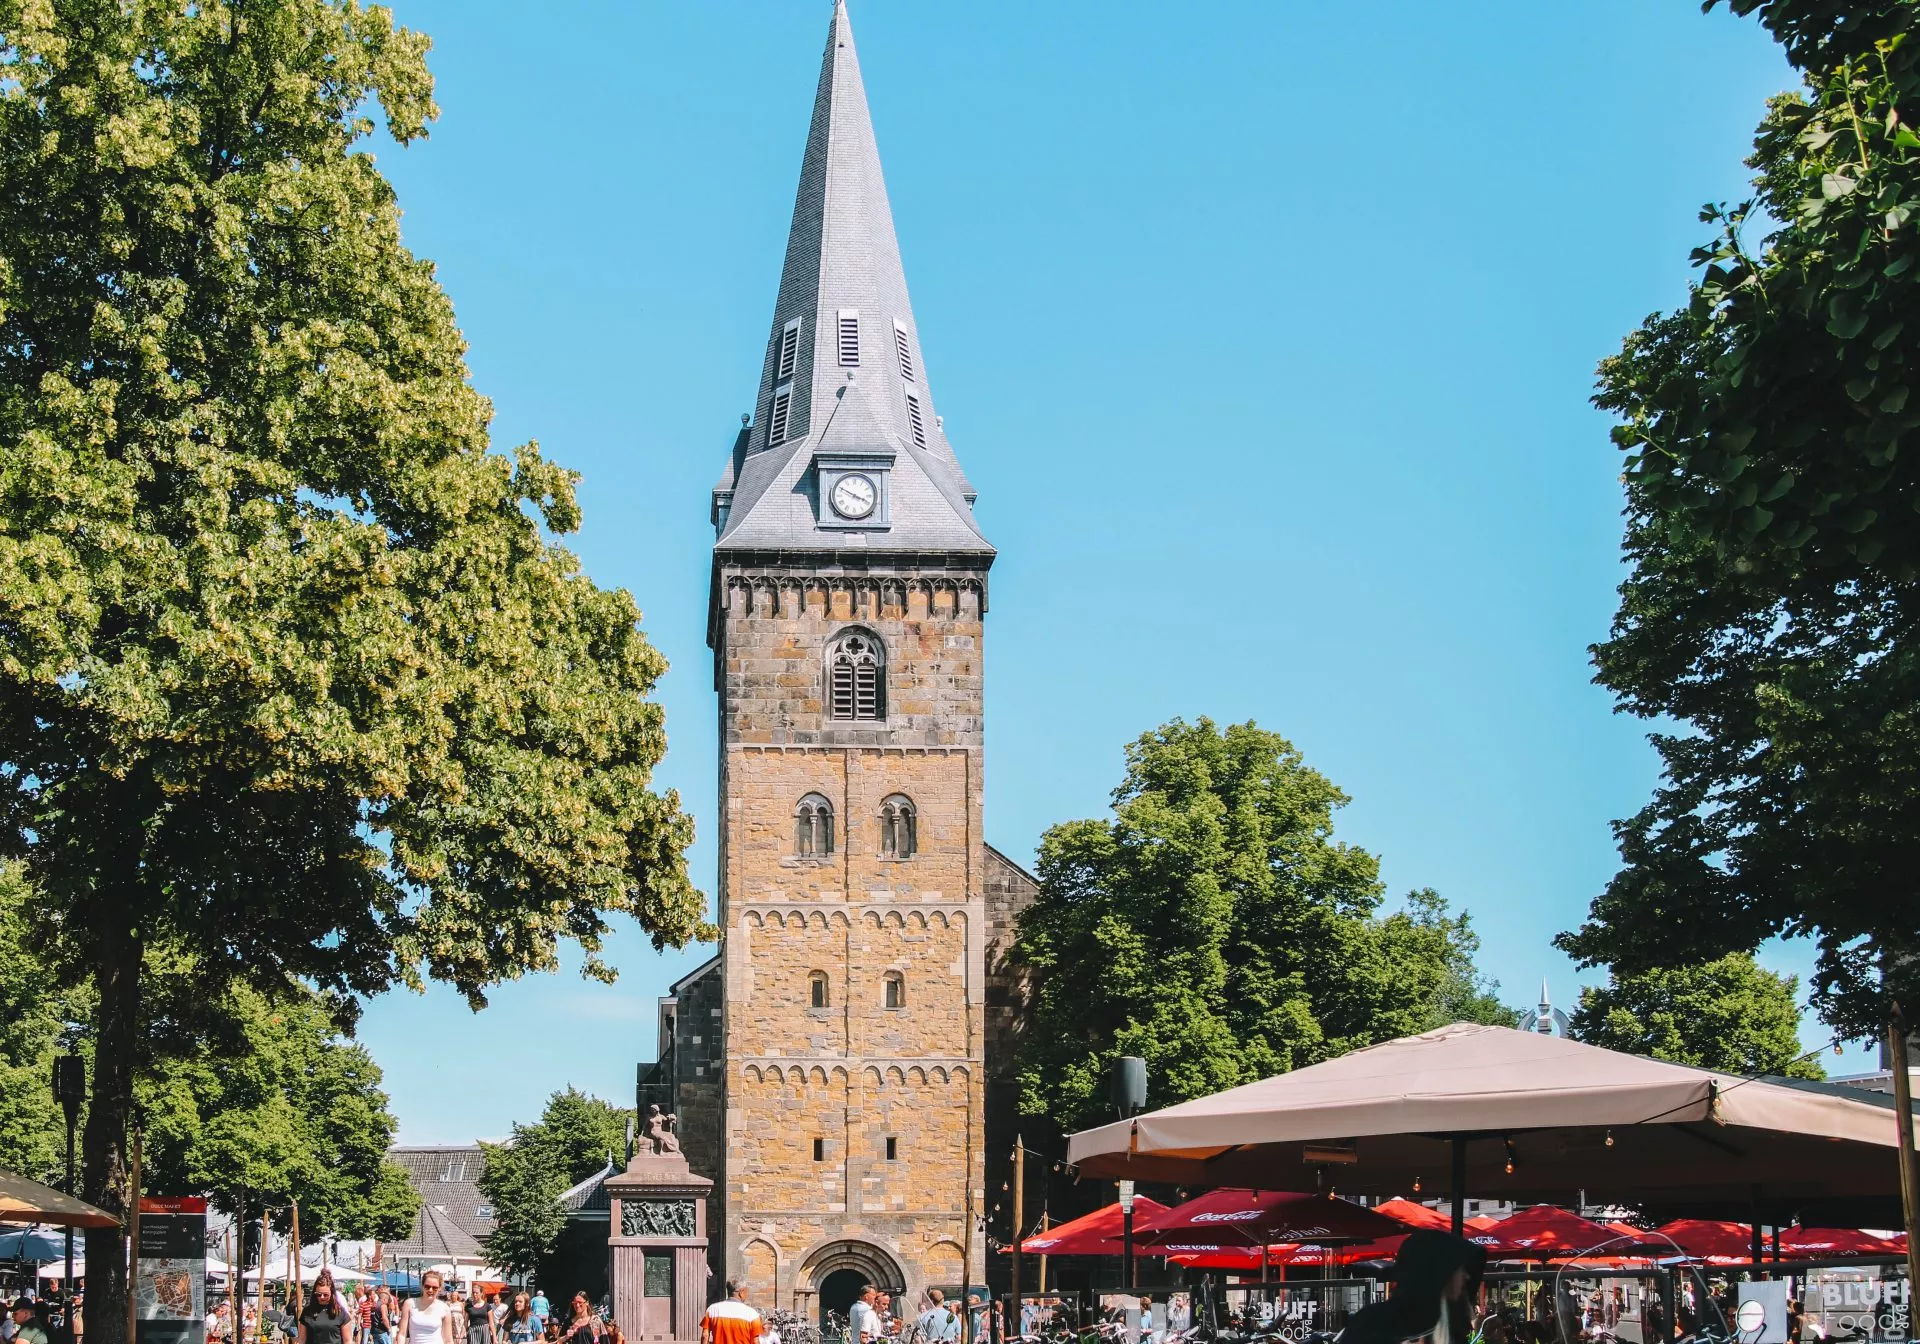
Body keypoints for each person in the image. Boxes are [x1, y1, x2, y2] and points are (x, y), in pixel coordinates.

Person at [1335, 1230, 1486, 1344]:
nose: (1467, 1276)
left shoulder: (1450, 1323)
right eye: (1459, 1269)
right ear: (1439, 1271)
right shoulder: (1376, 1324)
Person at [297, 1272, 355, 1344]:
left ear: (332, 1293)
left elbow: (348, 1341)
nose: (322, 1297)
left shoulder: (340, 1312)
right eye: (318, 1294)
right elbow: (301, 1340)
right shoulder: (307, 1311)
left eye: (326, 1295)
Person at [399, 1272, 455, 1344]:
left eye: (434, 1288)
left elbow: (448, 1340)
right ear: (422, 1286)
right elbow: (402, 1334)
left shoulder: (444, 1308)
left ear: (439, 1289)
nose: (430, 1290)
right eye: (427, 1286)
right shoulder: (409, 1303)